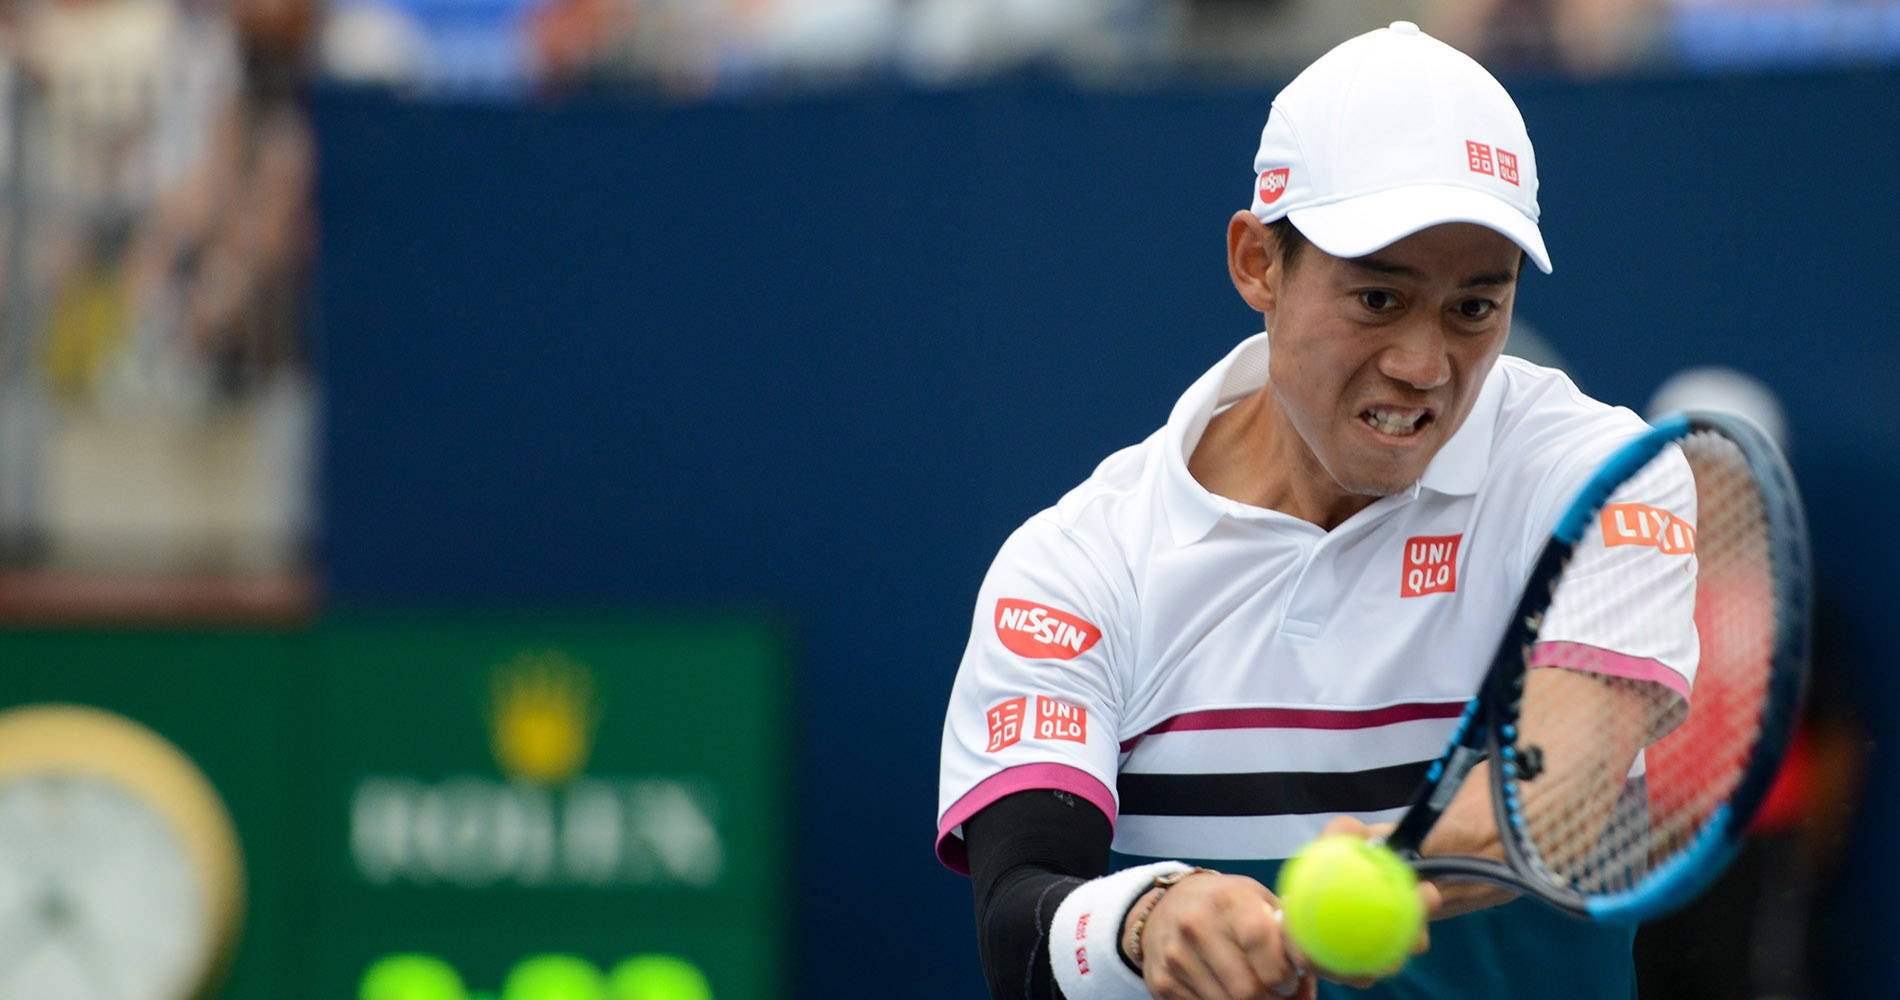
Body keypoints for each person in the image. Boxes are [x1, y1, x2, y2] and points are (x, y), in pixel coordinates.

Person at [936, 21, 1699, 1000]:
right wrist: (1147, 919)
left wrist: (1389, 862)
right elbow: (1020, 925)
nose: (1424, 366)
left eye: (1473, 307)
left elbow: (1561, 786)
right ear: (1257, 263)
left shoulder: (1601, 476)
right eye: (1378, 300)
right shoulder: (1076, 566)